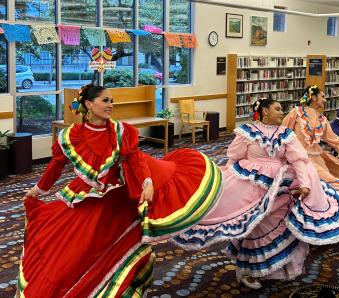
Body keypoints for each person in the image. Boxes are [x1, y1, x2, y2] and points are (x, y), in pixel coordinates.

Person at [16, 84, 222, 297]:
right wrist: (38, 190)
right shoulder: (70, 136)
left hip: (116, 200)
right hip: (84, 199)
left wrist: (147, 183)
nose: (111, 105)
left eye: (112, 101)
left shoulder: (121, 131)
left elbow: (136, 161)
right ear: (88, 104)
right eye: (105, 101)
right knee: (71, 256)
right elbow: (55, 167)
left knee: (117, 252)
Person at [173, 97, 339, 289]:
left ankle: (270, 269)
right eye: (278, 108)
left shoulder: (286, 134)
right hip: (251, 186)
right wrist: (227, 183)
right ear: (265, 111)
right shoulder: (247, 132)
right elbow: (234, 158)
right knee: (253, 226)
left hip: (279, 186)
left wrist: (305, 184)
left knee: (277, 225)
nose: (282, 112)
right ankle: (246, 270)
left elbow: (299, 161)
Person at [282, 85, 339, 199]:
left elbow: (334, 141)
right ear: (314, 97)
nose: (325, 100)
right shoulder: (296, 112)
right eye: (322, 96)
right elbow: (283, 133)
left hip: (318, 159)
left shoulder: (322, 118)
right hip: (299, 159)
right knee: (334, 186)